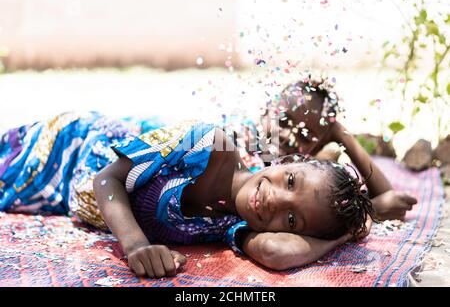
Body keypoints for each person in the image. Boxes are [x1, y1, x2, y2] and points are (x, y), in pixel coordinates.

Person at [0, 112, 373, 278]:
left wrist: (340, 237)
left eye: (292, 220)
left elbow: (276, 254)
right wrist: (135, 246)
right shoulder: (208, 145)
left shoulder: (236, 224)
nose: (276, 201)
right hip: (69, 149)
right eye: (290, 181)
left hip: (64, 201)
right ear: (289, 161)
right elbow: (106, 181)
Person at [227, 73, 418, 221]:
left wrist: (341, 134)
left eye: (305, 136)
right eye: (283, 121)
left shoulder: (298, 177)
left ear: (316, 147)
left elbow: (387, 196)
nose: (288, 136)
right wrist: (371, 210)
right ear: (267, 109)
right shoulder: (243, 138)